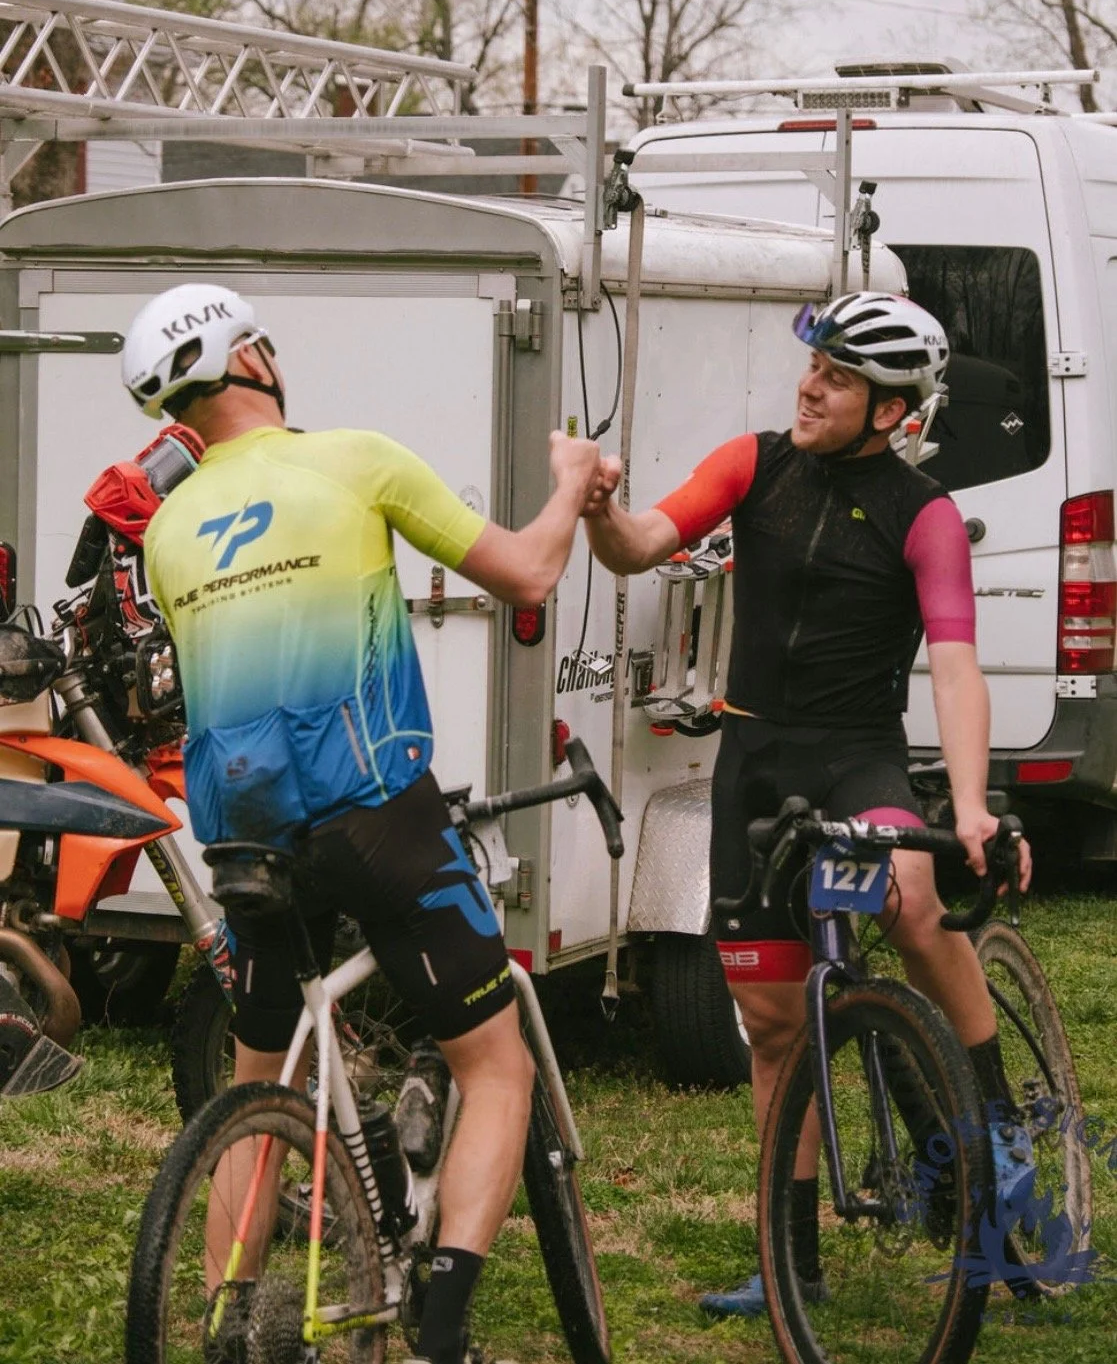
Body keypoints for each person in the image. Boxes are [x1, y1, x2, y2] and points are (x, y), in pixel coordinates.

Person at [122, 282, 602, 1364]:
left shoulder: (169, 528)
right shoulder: (354, 459)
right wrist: (572, 482)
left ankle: (226, 1325)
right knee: (496, 1065)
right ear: (252, 361)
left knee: (258, 1079)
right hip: (376, 814)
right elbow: (528, 573)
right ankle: (441, 1331)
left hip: (245, 840)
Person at [581, 290, 1035, 1319]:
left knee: (910, 899)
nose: (810, 386)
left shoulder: (924, 514)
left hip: (856, 760)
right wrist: (602, 508)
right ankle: (791, 1261)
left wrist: (968, 804)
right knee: (774, 1024)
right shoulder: (752, 465)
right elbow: (641, 544)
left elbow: (955, 666)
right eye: (813, 366)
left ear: (890, 410)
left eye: (837, 377)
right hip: (754, 763)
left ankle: (997, 1124)